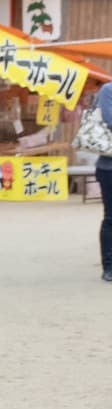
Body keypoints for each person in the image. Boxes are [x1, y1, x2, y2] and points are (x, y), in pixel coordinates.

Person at [95, 81, 112, 281]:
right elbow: (110, 120)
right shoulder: (108, 90)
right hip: (109, 166)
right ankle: (109, 266)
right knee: (111, 218)